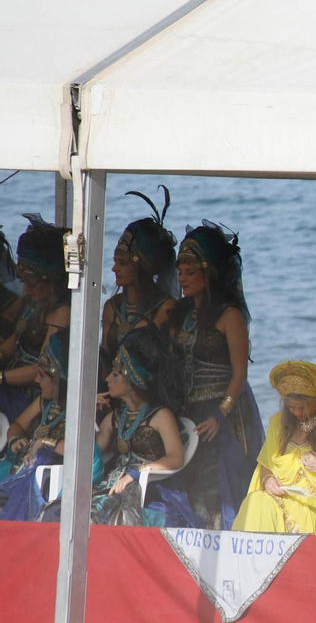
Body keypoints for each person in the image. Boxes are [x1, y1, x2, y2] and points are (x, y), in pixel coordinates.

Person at [169, 222, 264, 529]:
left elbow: (240, 372)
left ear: (208, 273)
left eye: (191, 273)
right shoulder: (180, 313)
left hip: (222, 414)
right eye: (180, 272)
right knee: (190, 486)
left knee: (219, 489)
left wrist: (220, 416)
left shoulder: (229, 315)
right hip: (188, 413)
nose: (182, 279)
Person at [233, 361, 316, 535]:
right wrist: (268, 481)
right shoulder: (279, 423)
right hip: (282, 502)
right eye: (290, 407)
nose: (296, 413)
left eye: (302, 407)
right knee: (257, 500)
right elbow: (265, 465)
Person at [84, 328, 192, 527]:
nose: (107, 379)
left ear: (132, 379)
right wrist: (87, 413)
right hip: (112, 487)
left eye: (115, 374)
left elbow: (176, 458)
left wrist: (138, 472)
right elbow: (92, 457)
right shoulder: (113, 418)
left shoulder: (161, 416)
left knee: (99, 516)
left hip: (148, 489)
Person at [0, 215, 71, 421]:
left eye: (32, 284)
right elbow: (9, 349)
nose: (25, 289)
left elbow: (44, 369)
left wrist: (2, 378)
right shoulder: (33, 305)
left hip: (30, 397)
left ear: (50, 281)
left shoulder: (62, 313)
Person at [102, 187, 179, 362]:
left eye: (123, 263)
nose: (114, 269)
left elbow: (171, 360)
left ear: (141, 267)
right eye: (115, 261)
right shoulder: (111, 307)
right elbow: (105, 356)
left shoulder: (166, 307)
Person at [0, 332, 68, 522]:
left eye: (43, 376)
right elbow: (17, 425)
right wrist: (16, 439)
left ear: (59, 382)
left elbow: (80, 451)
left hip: (45, 478)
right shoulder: (43, 402)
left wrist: (44, 442)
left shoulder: (79, 411)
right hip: (21, 468)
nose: (37, 380)